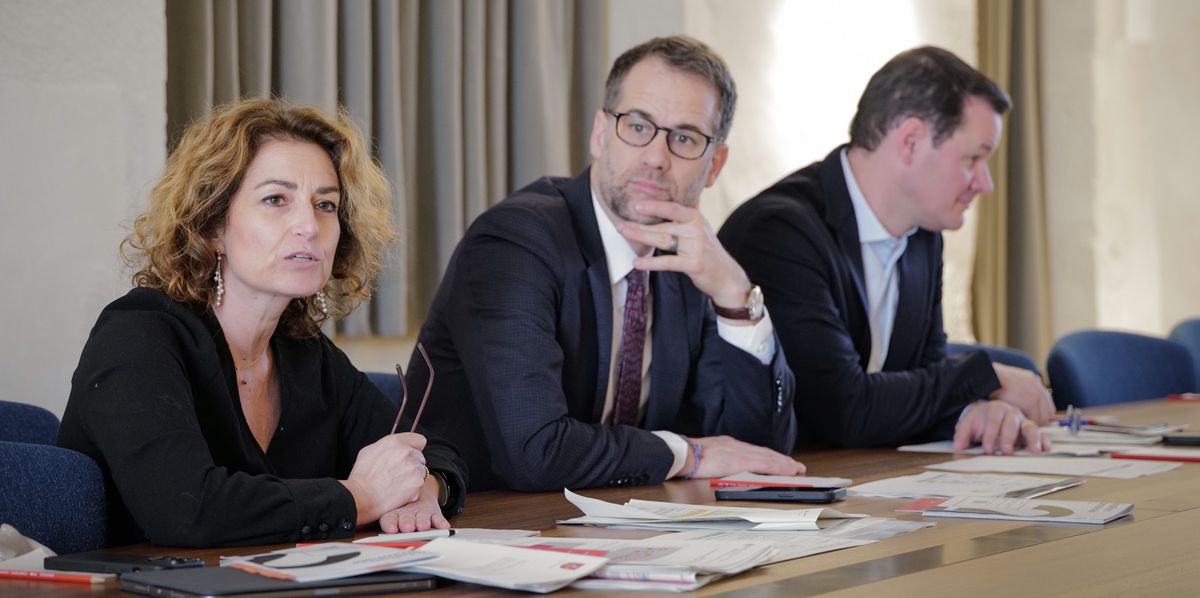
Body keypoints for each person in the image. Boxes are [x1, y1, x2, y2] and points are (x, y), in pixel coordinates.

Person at [58, 98, 467, 547]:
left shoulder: (305, 353)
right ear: (212, 226)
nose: (309, 226)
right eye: (276, 199)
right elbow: (189, 510)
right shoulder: (136, 337)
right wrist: (363, 497)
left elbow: (432, 449)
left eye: (325, 205)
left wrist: (423, 490)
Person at [407, 36, 803, 492]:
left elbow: (757, 451)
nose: (656, 157)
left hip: (619, 516)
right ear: (600, 133)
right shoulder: (516, 241)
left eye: (684, 138)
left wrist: (735, 295)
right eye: (637, 126)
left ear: (715, 165)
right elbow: (536, 453)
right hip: (480, 515)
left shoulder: (690, 261)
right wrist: (688, 453)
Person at [719, 46, 1054, 455]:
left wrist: (974, 413)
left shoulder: (923, 235)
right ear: (911, 141)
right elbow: (841, 410)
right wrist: (984, 376)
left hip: (871, 476)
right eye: (973, 159)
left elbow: (920, 385)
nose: (985, 183)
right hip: (778, 485)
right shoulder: (779, 233)